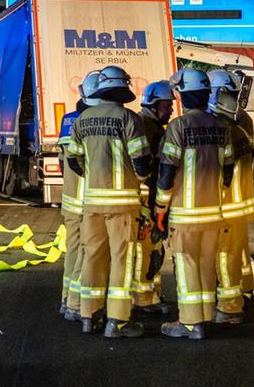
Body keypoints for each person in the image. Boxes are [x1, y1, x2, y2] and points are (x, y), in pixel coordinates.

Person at [67, 65, 153, 338]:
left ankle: (88, 315)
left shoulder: (83, 119)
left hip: (92, 203)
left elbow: (73, 159)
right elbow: (141, 161)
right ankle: (118, 320)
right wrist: (140, 177)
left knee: (92, 256)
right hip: (123, 205)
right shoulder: (129, 118)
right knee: (121, 261)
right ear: (123, 89)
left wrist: (91, 177)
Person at [153, 68, 231, 339]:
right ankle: (205, 316)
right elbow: (228, 169)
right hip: (213, 212)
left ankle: (189, 323)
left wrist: (160, 207)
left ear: (181, 96)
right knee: (207, 264)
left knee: (185, 264)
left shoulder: (178, 126)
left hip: (185, 214)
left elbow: (167, 171)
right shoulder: (221, 126)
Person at [207, 70, 254, 321]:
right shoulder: (241, 124)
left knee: (224, 255)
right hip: (241, 204)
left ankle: (228, 307)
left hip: (226, 204)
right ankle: (244, 290)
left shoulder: (220, 129)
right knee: (239, 253)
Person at [57, 73, 96, 322]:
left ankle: (66, 299)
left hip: (71, 199)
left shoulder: (68, 120)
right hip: (92, 199)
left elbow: (64, 162)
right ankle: (78, 304)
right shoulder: (97, 121)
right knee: (90, 252)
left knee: (73, 250)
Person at [132, 80, 173, 316]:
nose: (170, 110)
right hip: (146, 202)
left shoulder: (147, 125)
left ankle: (152, 294)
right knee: (149, 250)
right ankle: (144, 299)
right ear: (154, 104)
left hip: (145, 200)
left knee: (151, 249)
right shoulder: (149, 128)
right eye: (167, 105)